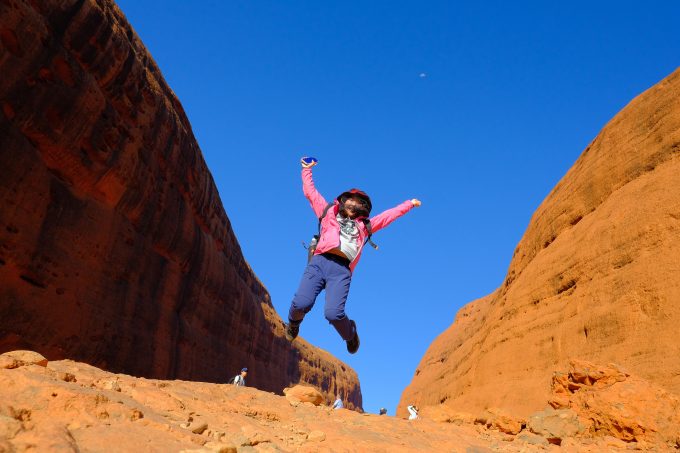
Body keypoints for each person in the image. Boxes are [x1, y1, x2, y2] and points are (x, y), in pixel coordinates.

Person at [285, 157, 421, 353]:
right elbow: (310, 193)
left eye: (358, 203)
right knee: (301, 303)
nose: (352, 204)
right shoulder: (327, 213)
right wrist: (306, 170)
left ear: (363, 208)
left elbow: (389, 215)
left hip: (341, 270)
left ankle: (351, 334)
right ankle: (293, 324)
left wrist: (409, 204)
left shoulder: (365, 227)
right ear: (342, 200)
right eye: (350, 199)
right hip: (319, 262)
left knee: (333, 313)